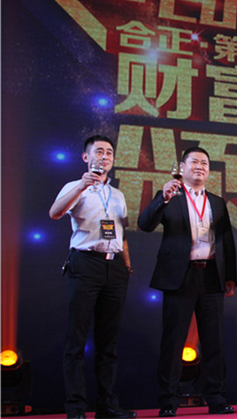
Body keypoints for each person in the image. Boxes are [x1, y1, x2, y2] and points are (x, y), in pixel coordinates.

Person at [138, 147, 237, 417]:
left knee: (214, 340)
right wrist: (162, 199)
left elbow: (226, 241)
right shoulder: (170, 196)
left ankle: (216, 398)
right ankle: (169, 401)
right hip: (179, 275)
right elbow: (145, 224)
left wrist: (230, 275)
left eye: (205, 163)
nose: (200, 166)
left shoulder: (217, 202)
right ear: (181, 168)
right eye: (194, 162)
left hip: (211, 275)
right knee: (174, 341)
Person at [49, 135, 136, 419]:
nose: (105, 156)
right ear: (86, 157)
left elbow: (120, 232)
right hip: (85, 263)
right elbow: (55, 213)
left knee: (108, 341)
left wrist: (126, 263)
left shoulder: (118, 194)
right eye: (99, 151)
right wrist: (81, 186)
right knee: (76, 339)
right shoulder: (75, 187)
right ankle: (75, 406)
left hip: (115, 267)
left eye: (109, 152)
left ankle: (107, 404)